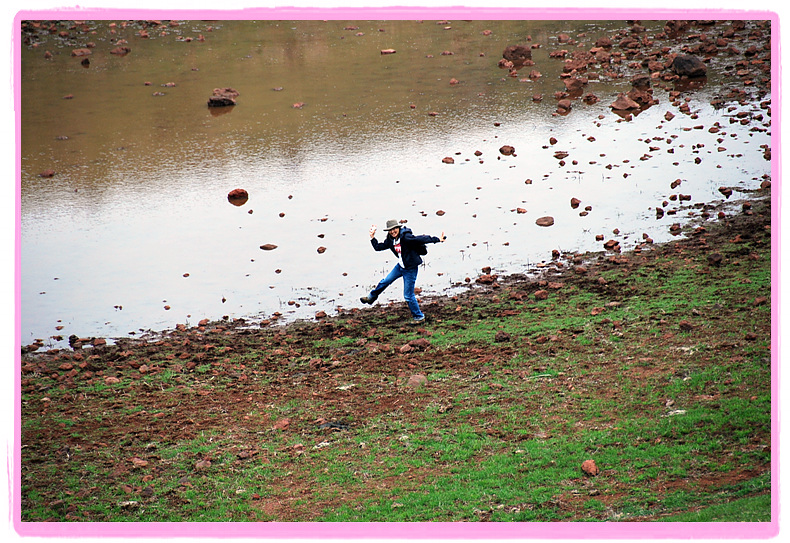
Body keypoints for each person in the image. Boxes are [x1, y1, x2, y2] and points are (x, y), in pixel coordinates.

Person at [360, 219, 446, 325]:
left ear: (398, 228)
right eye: (390, 230)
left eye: (394, 229)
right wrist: (372, 237)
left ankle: (419, 317)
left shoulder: (406, 237)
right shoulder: (391, 240)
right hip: (400, 266)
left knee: (408, 295)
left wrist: (438, 239)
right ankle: (370, 298)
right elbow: (378, 247)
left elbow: (421, 239)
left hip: (410, 269)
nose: (393, 231)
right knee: (385, 281)